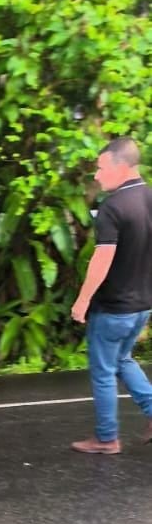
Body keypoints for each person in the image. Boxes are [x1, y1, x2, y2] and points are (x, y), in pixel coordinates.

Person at [70, 135, 152, 454]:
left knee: (103, 371)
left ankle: (106, 438)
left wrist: (82, 300)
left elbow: (102, 259)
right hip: (143, 305)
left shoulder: (113, 207)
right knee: (123, 359)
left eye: (101, 167)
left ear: (121, 166)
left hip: (114, 308)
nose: (96, 175)